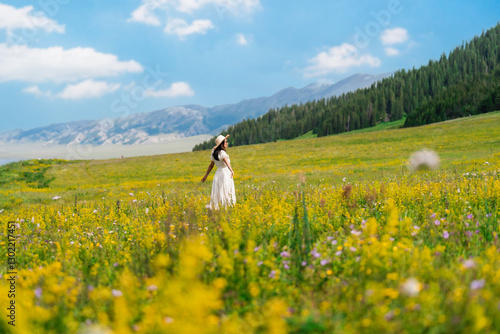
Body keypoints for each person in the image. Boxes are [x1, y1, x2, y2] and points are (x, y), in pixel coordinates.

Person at [201, 134, 236, 209]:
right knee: (226, 190)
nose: (227, 143)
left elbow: (211, 165)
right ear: (222, 144)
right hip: (225, 173)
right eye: (225, 142)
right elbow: (227, 162)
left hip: (218, 174)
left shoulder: (214, 153)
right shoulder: (222, 153)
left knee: (219, 190)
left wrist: (206, 175)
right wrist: (231, 170)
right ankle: (227, 206)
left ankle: (219, 206)